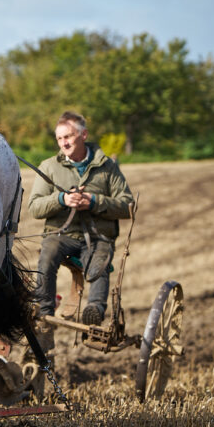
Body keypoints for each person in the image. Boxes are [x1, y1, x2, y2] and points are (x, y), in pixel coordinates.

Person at [28, 111, 134, 326]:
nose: (63, 143)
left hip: (99, 237)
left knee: (99, 265)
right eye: (59, 138)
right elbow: (35, 207)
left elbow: (128, 205)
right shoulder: (49, 166)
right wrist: (61, 199)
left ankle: (94, 310)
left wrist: (94, 202)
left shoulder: (107, 167)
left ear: (83, 134)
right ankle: (44, 311)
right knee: (47, 256)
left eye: (68, 137)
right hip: (61, 234)